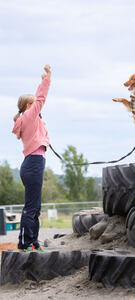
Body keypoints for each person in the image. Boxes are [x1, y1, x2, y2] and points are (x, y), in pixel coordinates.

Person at [12, 64, 52, 252]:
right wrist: (46, 79)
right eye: (34, 104)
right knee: (31, 207)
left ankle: (33, 242)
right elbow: (41, 98)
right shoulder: (28, 116)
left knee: (36, 206)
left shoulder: (32, 120)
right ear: (29, 106)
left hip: (35, 163)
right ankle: (25, 243)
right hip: (33, 164)